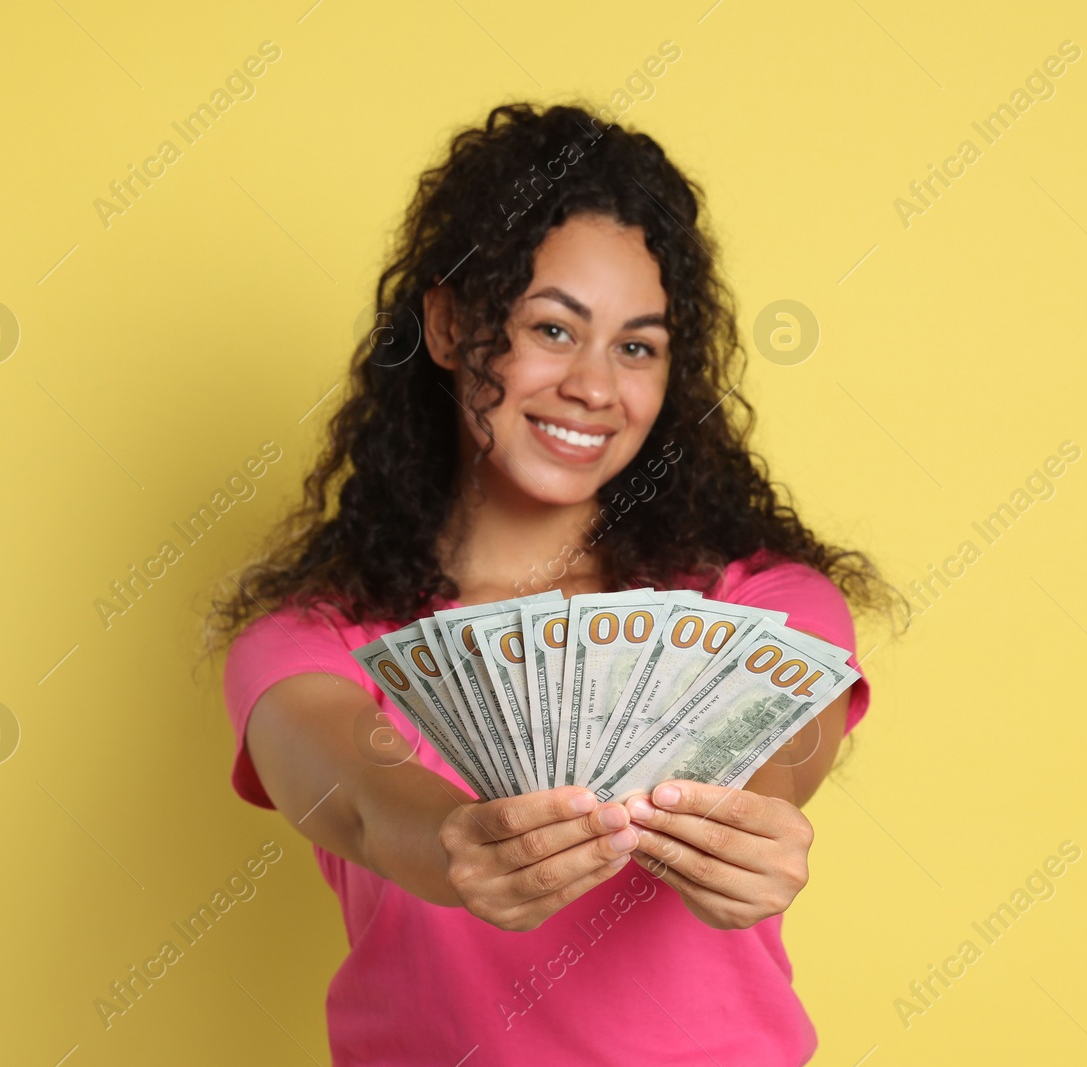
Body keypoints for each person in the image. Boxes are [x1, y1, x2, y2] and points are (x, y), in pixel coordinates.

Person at [207, 101, 902, 1066]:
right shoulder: (311, 641)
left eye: (637, 346)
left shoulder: (765, 602)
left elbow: (780, 753)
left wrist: (747, 834)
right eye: (552, 328)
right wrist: (461, 843)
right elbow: (363, 804)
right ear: (449, 327)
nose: (594, 387)